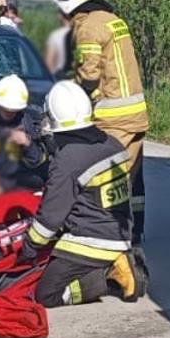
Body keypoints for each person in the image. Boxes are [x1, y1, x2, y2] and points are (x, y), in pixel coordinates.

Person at [53, 0, 149, 280]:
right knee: (129, 182)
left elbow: (90, 75)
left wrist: (67, 98)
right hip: (135, 114)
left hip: (113, 117)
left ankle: (111, 254)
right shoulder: (111, 19)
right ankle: (132, 239)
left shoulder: (88, 27)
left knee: (103, 184)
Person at [22, 81, 141, 307]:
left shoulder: (68, 160)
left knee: (46, 294)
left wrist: (29, 247)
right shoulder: (114, 144)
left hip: (91, 241)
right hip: (122, 233)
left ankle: (108, 278)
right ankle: (120, 261)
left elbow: (50, 219)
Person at [42, 13, 72, 78]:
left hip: (60, 77)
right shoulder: (80, 33)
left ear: (60, 16)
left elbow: (49, 63)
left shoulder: (55, 35)